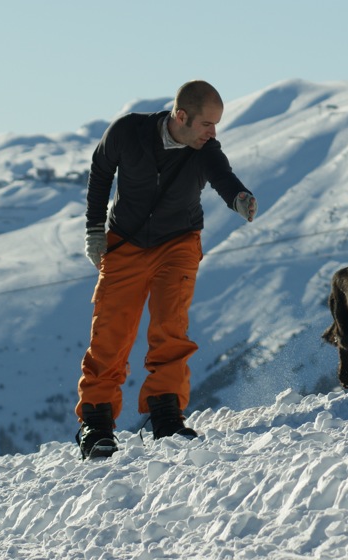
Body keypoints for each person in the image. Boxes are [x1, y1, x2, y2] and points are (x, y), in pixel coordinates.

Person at [76, 80, 257, 459]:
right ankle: (96, 424)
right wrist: (94, 230)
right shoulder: (128, 132)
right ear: (181, 116)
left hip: (178, 242)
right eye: (207, 124)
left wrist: (239, 196)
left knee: (169, 327)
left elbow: (222, 175)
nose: (213, 133)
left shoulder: (205, 149)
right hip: (125, 242)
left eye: (216, 125)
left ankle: (166, 417)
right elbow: (101, 171)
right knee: (110, 332)